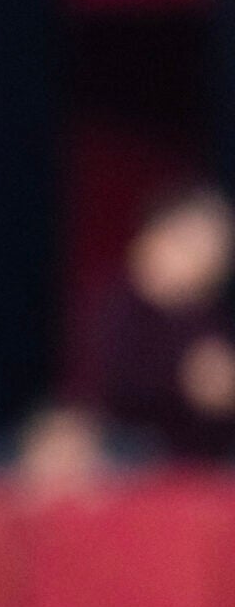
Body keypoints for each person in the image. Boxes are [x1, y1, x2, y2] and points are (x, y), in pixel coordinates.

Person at [88, 186, 235, 462]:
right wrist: (185, 379)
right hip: (131, 446)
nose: (205, 262)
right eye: (191, 244)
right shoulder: (121, 306)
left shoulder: (209, 315)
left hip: (203, 455)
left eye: (217, 251)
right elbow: (113, 384)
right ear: (151, 240)